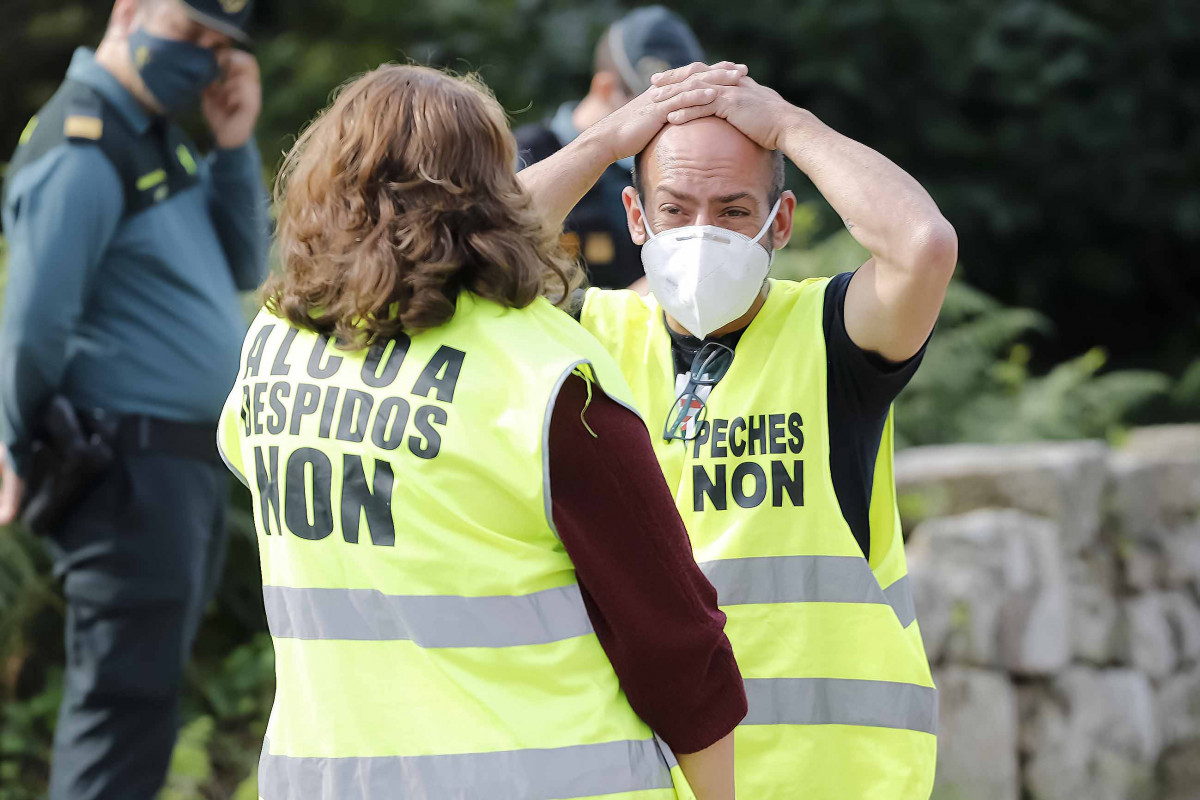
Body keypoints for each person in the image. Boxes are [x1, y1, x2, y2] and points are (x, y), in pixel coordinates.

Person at [216, 63, 752, 799]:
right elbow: (675, 646)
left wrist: (599, 141)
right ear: (495, 196)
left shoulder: (274, 345)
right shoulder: (547, 376)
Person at [521, 63, 958, 799]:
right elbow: (452, 264)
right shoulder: (587, 340)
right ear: (635, 217)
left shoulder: (831, 335)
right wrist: (604, 141)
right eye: (674, 207)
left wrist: (791, 126)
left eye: (731, 210)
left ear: (778, 222)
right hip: (647, 778)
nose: (700, 234)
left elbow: (923, 245)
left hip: (834, 778)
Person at [0, 0, 268, 797]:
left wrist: (232, 142)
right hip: (125, 467)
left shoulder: (153, 135)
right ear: (128, 14)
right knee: (121, 708)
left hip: (172, 467)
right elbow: (34, 326)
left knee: (142, 704)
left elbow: (243, 261)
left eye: (219, 48)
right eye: (190, 36)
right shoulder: (84, 145)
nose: (203, 61)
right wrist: (12, 444)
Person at [515, 5, 704, 290]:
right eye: (652, 108)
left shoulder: (656, 167)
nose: (665, 124)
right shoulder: (525, 153)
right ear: (605, 88)